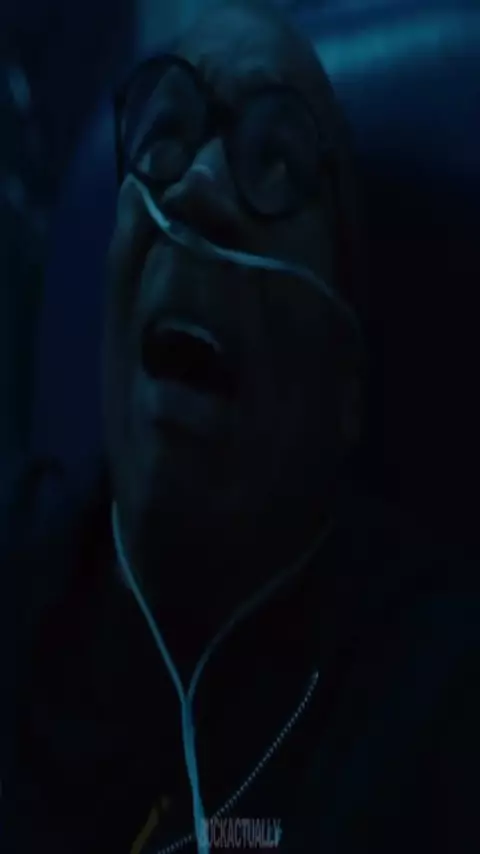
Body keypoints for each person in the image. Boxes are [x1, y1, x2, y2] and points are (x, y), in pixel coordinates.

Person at [1, 1, 479, 852]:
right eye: (163, 136)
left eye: (278, 160)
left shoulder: (437, 705)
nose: (196, 189)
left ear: (346, 388)